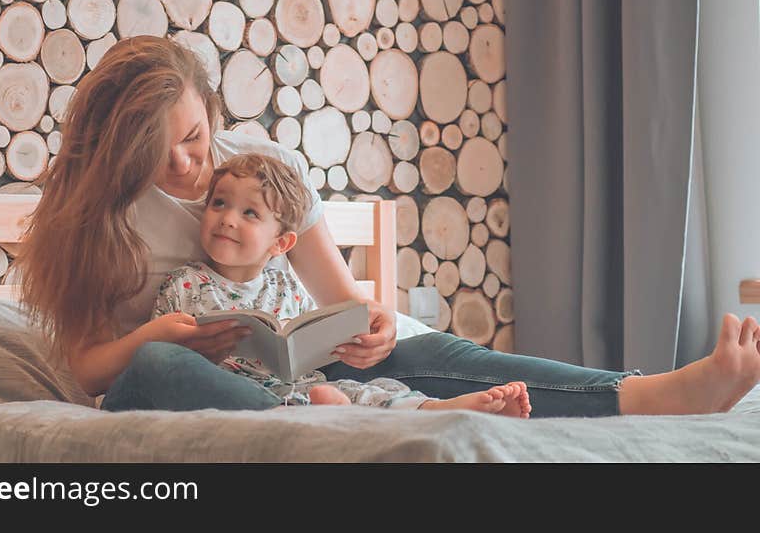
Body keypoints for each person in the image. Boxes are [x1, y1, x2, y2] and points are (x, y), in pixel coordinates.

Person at [17, 35, 760, 418]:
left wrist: (369, 324)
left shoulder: (262, 168)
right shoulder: (94, 221)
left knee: (430, 347)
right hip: (185, 377)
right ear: (121, 152)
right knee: (155, 371)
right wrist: (161, 334)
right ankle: (339, 424)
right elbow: (89, 368)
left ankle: (652, 394)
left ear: (209, 107)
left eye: (195, 132)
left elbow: (342, 301)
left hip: (301, 371)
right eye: (163, 151)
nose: (193, 160)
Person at [153, 152, 532, 416]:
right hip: (233, 393)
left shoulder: (287, 286)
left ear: (280, 244)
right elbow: (161, 361)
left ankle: (439, 409)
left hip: (300, 387)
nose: (228, 219)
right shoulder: (185, 284)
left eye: (249, 212)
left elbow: (308, 344)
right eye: (219, 204)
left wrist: (339, 344)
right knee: (311, 397)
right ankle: (322, 418)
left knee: (370, 389)